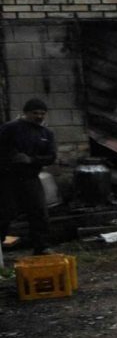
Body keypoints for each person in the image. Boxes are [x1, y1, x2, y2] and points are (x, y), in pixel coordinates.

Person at [1, 97, 56, 255]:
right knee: (6, 213)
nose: (39, 116)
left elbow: (51, 157)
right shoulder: (10, 128)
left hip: (30, 178)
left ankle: (42, 247)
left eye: (42, 113)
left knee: (39, 212)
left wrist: (31, 160)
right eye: (35, 113)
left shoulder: (46, 133)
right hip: (8, 178)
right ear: (25, 113)